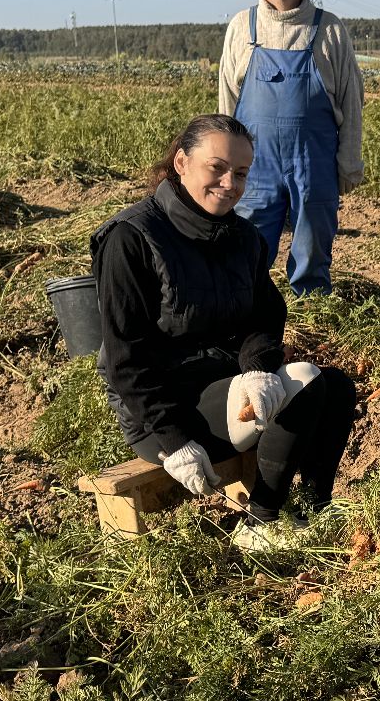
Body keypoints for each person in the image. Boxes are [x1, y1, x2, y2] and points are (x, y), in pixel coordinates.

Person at [91, 114, 357, 542]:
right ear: (181, 162)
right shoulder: (131, 238)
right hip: (164, 412)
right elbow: (127, 358)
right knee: (305, 382)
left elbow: (265, 316)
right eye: (216, 168)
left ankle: (311, 512)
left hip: (224, 386)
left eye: (241, 173)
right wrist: (175, 439)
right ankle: (261, 524)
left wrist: (256, 367)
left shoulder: (243, 237)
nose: (229, 184)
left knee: (338, 387)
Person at [218, 0, 364, 295]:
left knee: (313, 242)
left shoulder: (328, 29)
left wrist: (348, 163)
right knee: (248, 245)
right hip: (256, 165)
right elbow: (227, 101)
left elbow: (352, 99)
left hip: (313, 162)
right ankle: (245, 310)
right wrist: (224, 163)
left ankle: (310, 307)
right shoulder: (242, 26)